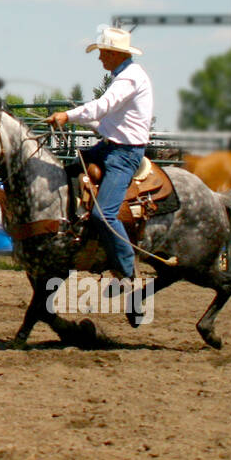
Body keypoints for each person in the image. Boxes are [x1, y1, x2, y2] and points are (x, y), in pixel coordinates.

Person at [44, 27, 153, 282]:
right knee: (64, 178)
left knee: (104, 215)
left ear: (115, 54)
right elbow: (108, 120)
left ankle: (127, 271)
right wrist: (76, 119)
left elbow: (103, 107)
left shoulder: (129, 78)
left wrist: (68, 116)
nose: (100, 57)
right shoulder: (124, 75)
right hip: (110, 147)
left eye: (102, 52)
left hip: (124, 154)